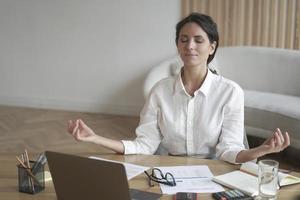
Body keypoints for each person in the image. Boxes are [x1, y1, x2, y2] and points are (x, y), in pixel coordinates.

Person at [67, 12, 290, 164]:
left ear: (212, 47)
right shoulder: (159, 91)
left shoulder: (230, 92)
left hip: (215, 171)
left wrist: (262, 150)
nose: (190, 46)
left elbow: (228, 151)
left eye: (198, 40)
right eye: (183, 39)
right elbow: (144, 145)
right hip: (169, 170)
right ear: (177, 45)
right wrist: (94, 138)